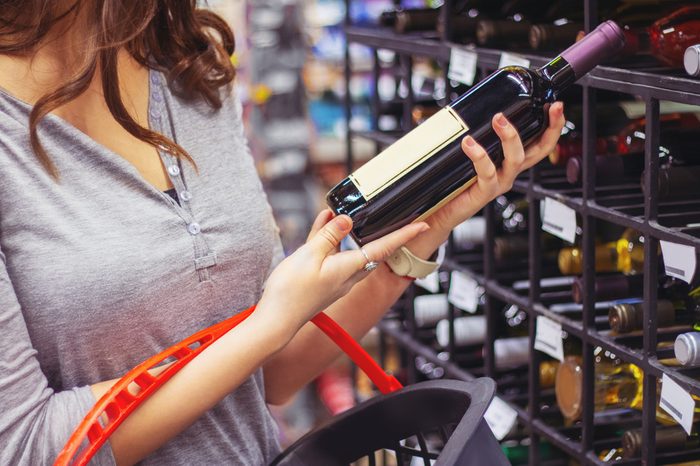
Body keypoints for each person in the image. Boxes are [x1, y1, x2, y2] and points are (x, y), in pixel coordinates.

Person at [0, 1, 566, 465]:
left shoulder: (188, 62)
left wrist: (422, 235)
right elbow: (27, 447)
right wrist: (269, 323)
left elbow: (272, 373)